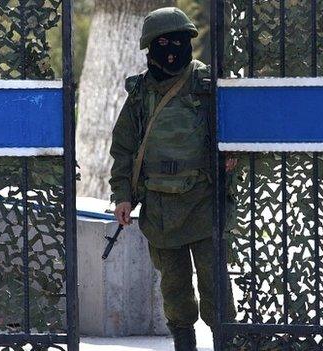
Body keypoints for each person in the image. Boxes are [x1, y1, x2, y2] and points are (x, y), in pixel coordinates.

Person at [108, 7, 235, 351]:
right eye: (163, 43)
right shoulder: (140, 94)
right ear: (150, 48)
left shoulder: (207, 84)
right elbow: (123, 148)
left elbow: (235, 131)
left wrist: (231, 156)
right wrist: (122, 196)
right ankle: (184, 344)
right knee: (175, 289)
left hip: (205, 203)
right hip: (160, 209)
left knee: (215, 287)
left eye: (178, 42)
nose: (171, 49)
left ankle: (226, 341)